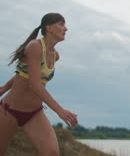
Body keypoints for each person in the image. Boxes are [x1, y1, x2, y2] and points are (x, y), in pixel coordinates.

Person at [0, 13, 78, 156]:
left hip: (34, 113)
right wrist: (60, 110)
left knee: (52, 153)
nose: (65, 29)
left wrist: (5, 87)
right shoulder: (35, 46)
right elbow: (34, 84)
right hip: (9, 110)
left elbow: (26, 73)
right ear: (49, 28)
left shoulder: (55, 55)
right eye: (61, 24)